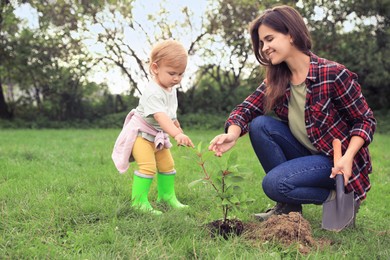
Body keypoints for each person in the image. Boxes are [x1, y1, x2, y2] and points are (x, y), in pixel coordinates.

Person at [208, 5, 376, 224]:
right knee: (260, 125)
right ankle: (288, 209)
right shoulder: (278, 80)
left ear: (291, 34)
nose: (265, 48)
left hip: (337, 163)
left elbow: (364, 120)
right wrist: (232, 133)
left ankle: (338, 197)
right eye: (261, 43)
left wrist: (348, 157)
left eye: (269, 39)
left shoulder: (333, 74)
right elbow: (246, 109)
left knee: (274, 184)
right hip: (306, 155)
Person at [112, 39, 194, 215]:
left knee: (167, 165)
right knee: (147, 167)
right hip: (142, 136)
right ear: (155, 68)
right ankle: (139, 202)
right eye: (172, 73)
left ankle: (166, 196)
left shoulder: (170, 89)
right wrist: (175, 134)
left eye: (181, 74)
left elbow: (171, 115)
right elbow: (161, 116)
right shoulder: (152, 92)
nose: (177, 78)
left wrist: (179, 131)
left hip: (158, 135)